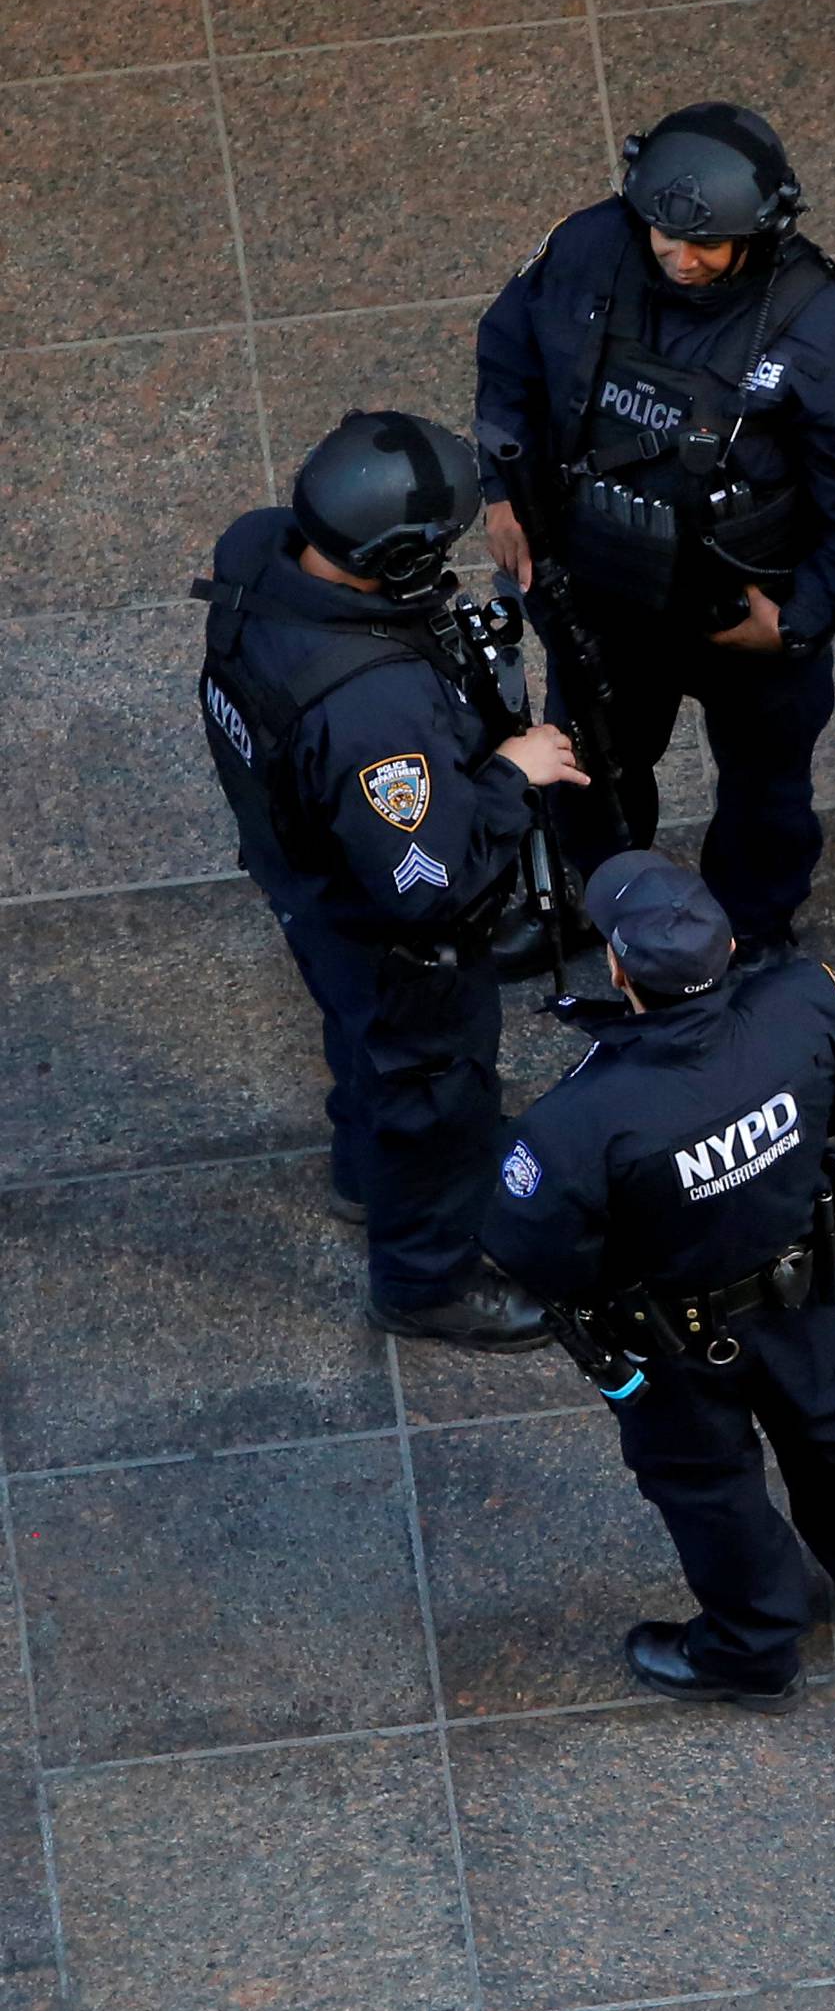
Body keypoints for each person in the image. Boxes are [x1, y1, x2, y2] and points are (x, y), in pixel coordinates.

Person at [482, 850, 835, 1710]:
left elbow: (535, 1252)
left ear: (617, 967)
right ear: (729, 941)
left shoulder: (574, 1122)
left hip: (663, 1337)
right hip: (795, 1283)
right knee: (831, 1422)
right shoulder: (808, 1000)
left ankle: (753, 1645)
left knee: (707, 1485)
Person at [475, 101, 835, 960]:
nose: (682, 259)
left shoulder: (824, 328)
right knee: (591, 772)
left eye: (707, 245)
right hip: (600, 595)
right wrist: (502, 490)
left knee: (765, 795)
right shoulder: (589, 247)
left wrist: (796, 619)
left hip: (744, 615)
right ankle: (612, 914)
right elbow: (508, 361)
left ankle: (750, 935)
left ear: (759, 232)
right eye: (664, 238)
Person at [194, 410, 587, 1349]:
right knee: (436, 1101)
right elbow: (430, 881)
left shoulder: (255, 551)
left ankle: (363, 1174)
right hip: (394, 936)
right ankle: (424, 1282)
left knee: (357, 1039)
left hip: (306, 882)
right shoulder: (375, 713)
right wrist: (507, 775)